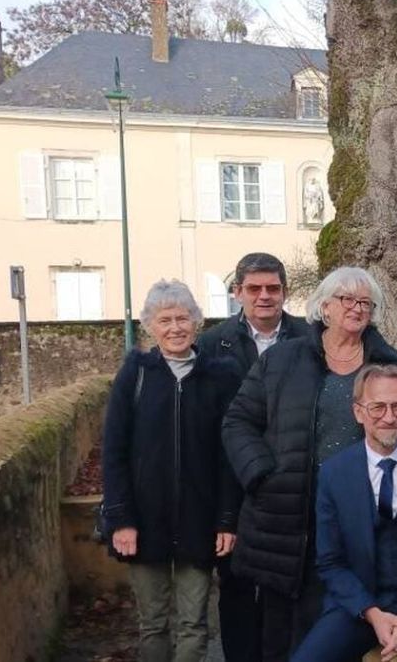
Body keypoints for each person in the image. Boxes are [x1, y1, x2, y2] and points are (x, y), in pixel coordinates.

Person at [222, 266, 397, 662]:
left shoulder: (384, 359)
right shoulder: (283, 358)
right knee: (283, 627)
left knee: (346, 615)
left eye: (366, 302)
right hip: (288, 509)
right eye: (347, 299)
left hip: (359, 509)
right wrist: (262, 472)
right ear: (324, 306)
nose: (357, 308)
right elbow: (238, 420)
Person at [102, 280, 242, 662]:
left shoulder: (221, 376)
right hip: (146, 522)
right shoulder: (136, 374)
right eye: (165, 320)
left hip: (200, 521)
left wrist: (227, 519)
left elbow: (230, 455)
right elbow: (113, 452)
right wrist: (122, 519)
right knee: (152, 624)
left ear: (196, 322)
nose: (175, 328)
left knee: (194, 623)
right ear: (150, 325)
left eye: (183, 318)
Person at [291, 365, 397, 662]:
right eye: (378, 407)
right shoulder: (334, 473)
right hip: (361, 602)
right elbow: (330, 561)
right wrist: (374, 615)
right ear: (358, 412)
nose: (389, 417)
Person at [197, 252, 308, 662]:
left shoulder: (308, 337)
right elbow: (207, 425)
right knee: (237, 585)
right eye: (255, 288)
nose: (265, 297)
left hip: (292, 483)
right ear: (237, 292)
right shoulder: (211, 344)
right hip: (233, 485)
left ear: (285, 292)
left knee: (288, 589)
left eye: (273, 288)